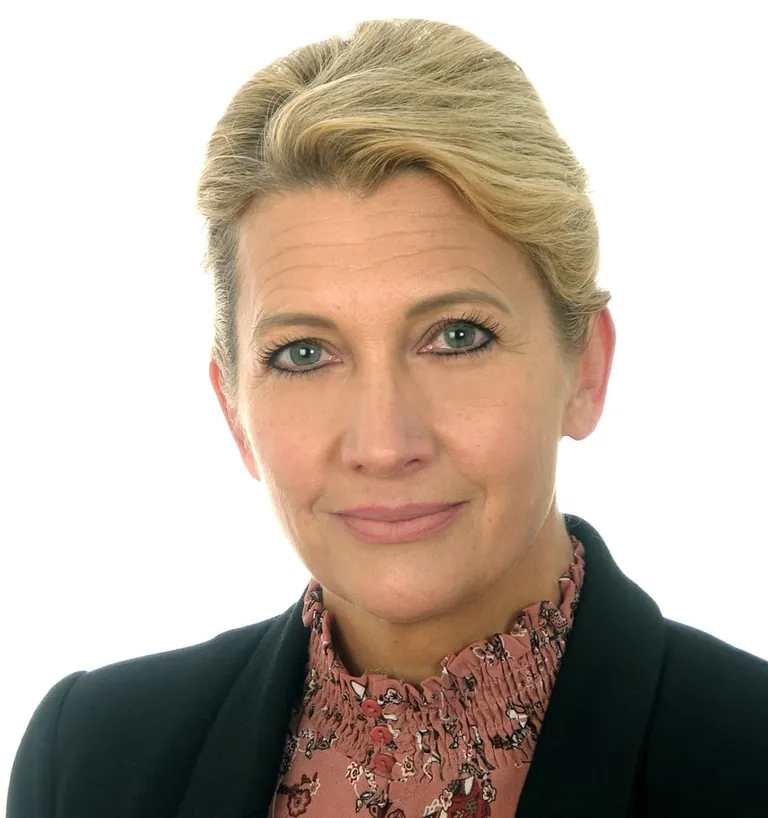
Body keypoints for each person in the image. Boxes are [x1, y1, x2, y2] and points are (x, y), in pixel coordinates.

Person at [7, 17, 768, 818]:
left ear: (586, 369)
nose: (382, 443)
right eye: (304, 353)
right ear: (234, 409)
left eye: (457, 337)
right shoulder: (90, 758)